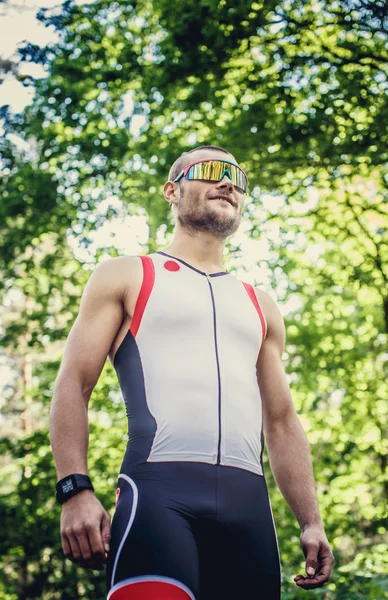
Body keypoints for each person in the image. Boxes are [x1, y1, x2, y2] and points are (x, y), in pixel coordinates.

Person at [50, 145, 334, 600]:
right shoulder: (127, 275)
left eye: (238, 178)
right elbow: (74, 383)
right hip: (157, 498)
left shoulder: (260, 304)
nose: (227, 183)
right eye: (211, 171)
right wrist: (74, 489)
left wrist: (311, 520)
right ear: (172, 190)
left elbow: (281, 421)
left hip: (250, 513)